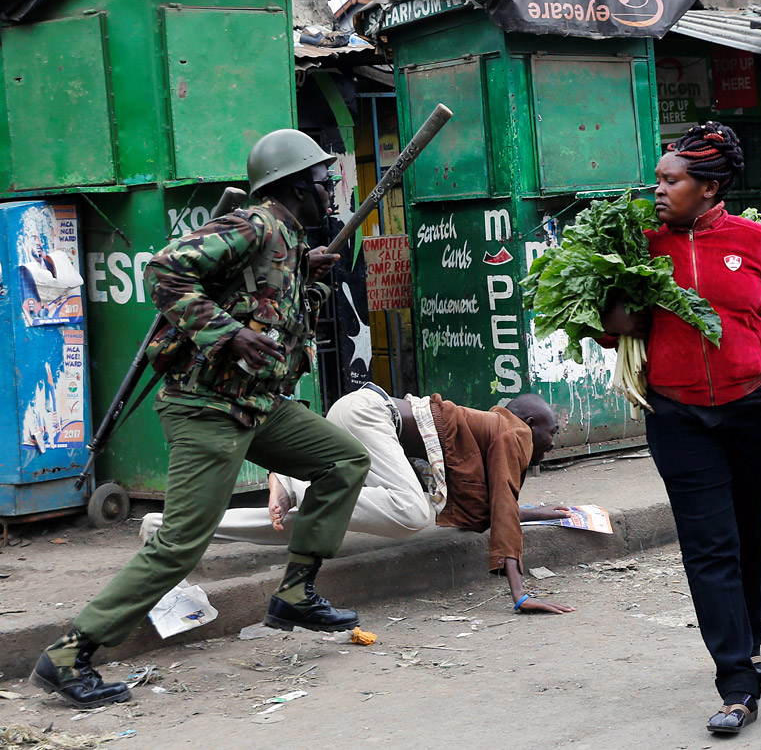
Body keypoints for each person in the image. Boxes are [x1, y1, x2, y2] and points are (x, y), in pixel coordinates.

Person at [30, 130, 373, 709]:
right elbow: (164, 269)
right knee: (180, 546)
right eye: (323, 182)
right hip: (207, 409)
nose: (330, 192)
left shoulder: (285, 241)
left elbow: (261, 296)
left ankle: (295, 593)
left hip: (257, 407)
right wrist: (229, 334)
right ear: (293, 187)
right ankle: (67, 655)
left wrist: (304, 272)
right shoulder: (256, 224)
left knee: (344, 459)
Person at [601, 121, 761, 735]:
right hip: (678, 417)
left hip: (750, 412)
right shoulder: (641, 245)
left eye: (671, 180)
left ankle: (751, 640)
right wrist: (620, 309)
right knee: (708, 547)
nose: (657, 190)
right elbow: (611, 330)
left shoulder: (756, 241)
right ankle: (737, 681)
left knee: (751, 536)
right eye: (658, 179)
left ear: (710, 187)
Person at [141, 385, 575, 615]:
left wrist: (540, 513)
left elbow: (494, 507)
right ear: (530, 421)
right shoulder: (513, 432)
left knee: (317, 520)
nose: (553, 442)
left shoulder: (493, 430)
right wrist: (519, 593)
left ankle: (165, 529)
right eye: (552, 432)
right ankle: (296, 485)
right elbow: (501, 505)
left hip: (356, 413)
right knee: (410, 513)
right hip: (370, 415)